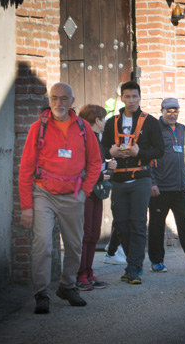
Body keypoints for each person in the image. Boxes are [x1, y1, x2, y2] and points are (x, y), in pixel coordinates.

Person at [18, 83, 102, 314]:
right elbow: (25, 168)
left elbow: (95, 162)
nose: (59, 104)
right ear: (49, 100)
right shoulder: (39, 128)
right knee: (43, 244)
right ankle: (41, 293)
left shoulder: (83, 127)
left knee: (75, 246)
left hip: (73, 195)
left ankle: (67, 286)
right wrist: (27, 206)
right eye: (54, 98)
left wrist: (85, 190)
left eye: (64, 99)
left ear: (72, 101)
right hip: (43, 193)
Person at [102, 81, 164, 285]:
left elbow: (160, 150)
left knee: (137, 224)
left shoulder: (151, 122)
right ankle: (133, 264)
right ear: (121, 98)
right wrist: (109, 154)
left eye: (134, 96)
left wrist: (140, 153)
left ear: (139, 97)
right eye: (127, 97)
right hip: (119, 180)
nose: (131, 100)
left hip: (141, 179)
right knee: (121, 225)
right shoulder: (111, 122)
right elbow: (102, 150)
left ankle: (134, 268)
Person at [147, 98, 185, 273]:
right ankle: (157, 261)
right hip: (160, 188)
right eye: (169, 110)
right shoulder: (155, 130)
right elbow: (149, 158)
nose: (172, 114)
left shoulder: (183, 130)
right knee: (157, 226)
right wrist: (152, 182)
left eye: (175, 110)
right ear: (162, 111)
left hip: (181, 187)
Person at [75, 104, 115, 291]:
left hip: (95, 191)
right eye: (103, 118)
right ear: (96, 120)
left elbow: (95, 166)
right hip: (86, 192)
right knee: (85, 234)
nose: (105, 121)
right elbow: (80, 167)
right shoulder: (82, 138)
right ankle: (80, 274)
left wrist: (107, 168)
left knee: (94, 234)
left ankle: (88, 272)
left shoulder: (96, 139)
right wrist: (102, 174)